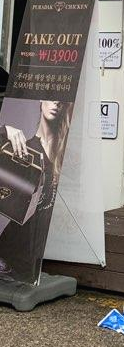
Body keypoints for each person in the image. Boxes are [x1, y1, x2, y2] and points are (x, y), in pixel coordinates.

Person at [0, 100, 73, 283]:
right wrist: (4, 131)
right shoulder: (25, 151)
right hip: (15, 252)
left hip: (47, 251)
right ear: (41, 100)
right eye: (50, 97)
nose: (56, 102)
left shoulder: (66, 153)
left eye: (60, 99)